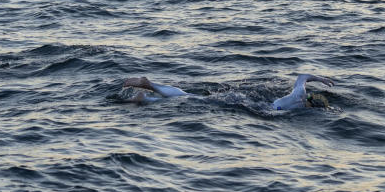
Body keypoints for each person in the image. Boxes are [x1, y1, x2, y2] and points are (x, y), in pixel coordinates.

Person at [122, 73, 335, 110]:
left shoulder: (298, 93)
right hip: (246, 105)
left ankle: (147, 98)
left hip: (245, 100)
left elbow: (302, 77)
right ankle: (150, 87)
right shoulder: (298, 100)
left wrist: (321, 79)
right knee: (191, 99)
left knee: (191, 98)